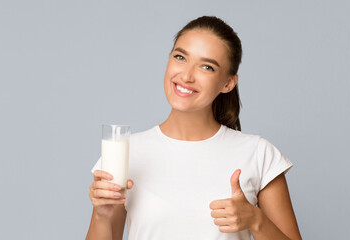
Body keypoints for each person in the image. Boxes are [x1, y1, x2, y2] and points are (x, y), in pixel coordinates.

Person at [86, 16, 302, 240]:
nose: (187, 76)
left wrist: (256, 221)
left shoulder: (258, 154)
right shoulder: (126, 152)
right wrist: (102, 216)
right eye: (180, 57)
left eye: (207, 67)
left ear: (228, 83)